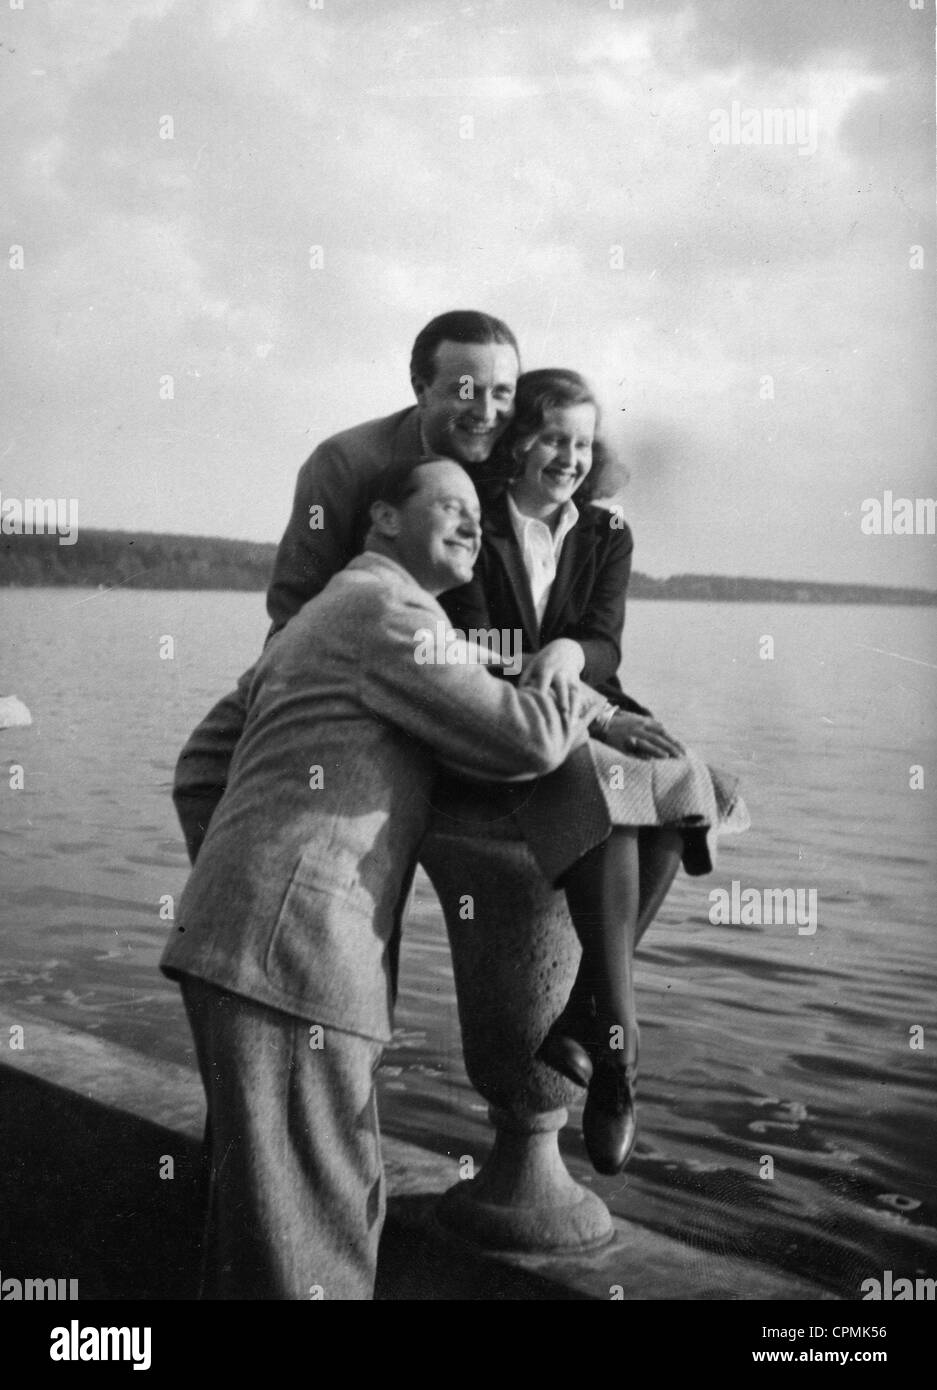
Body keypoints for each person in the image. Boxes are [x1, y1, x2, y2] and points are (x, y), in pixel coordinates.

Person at [160, 457, 609, 1300]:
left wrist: (242, 889)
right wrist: (571, 682)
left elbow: (199, 768)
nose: (475, 525)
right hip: (295, 963)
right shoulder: (392, 612)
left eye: (481, 513)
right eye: (450, 505)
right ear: (384, 519)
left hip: (241, 951)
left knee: (265, 1223)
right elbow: (529, 742)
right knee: (308, 1239)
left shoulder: (323, 613)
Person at [440, 368, 748, 1175]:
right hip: (495, 712)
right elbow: (474, 644)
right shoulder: (474, 522)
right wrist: (595, 712)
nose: (570, 458)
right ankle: (619, 1055)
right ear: (518, 445)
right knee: (606, 792)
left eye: (582, 443)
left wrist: (577, 654)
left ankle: (586, 1020)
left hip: (587, 700)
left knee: (679, 782)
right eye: (552, 440)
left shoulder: (606, 532)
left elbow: (605, 638)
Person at [172, 309, 522, 862]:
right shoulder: (346, 463)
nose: (487, 412)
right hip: (345, 676)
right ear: (420, 389)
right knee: (213, 777)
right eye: (466, 391)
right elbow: (295, 613)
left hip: (466, 676)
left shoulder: (521, 459)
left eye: (503, 392)